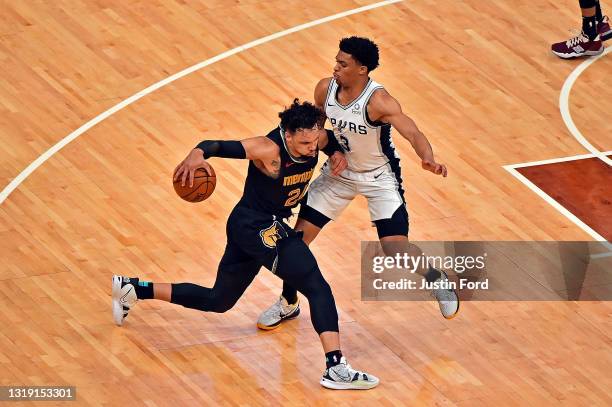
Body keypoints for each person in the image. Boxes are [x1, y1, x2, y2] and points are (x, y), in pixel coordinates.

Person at [111, 99, 378, 390]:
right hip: (257, 227)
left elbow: (326, 142)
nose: (312, 148)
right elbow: (215, 145)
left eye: (315, 141)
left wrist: (335, 151)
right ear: (287, 134)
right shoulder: (266, 148)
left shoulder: (315, 137)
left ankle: (134, 289)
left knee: (219, 300)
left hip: (251, 225)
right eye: (304, 143)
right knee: (317, 286)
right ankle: (335, 367)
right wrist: (195, 154)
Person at [257, 37, 459, 331]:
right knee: (294, 245)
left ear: (362, 69)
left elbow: (412, 132)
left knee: (395, 249)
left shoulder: (379, 101)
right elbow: (317, 130)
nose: (335, 68)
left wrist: (427, 158)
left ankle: (436, 280)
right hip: (339, 173)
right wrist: (329, 152)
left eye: (343, 64)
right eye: (336, 61)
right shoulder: (325, 89)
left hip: (378, 176)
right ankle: (289, 302)